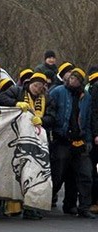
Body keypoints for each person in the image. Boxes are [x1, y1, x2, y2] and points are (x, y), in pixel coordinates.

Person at [0, 73, 55, 219]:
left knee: (34, 174)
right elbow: (1, 99)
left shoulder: (47, 98)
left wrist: (42, 120)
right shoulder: (17, 91)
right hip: (17, 139)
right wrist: (15, 103)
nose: (37, 89)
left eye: (40, 87)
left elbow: (53, 117)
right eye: (35, 86)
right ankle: (12, 206)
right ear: (30, 84)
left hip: (37, 142)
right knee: (16, 173)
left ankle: (31, 207)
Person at [49, 68, 95, 219]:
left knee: (85, 174)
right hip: (62, 139)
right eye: (71, 78)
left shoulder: (86, 96)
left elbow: (87, 119)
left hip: (79, 140)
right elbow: (50, 112)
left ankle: (84, 207)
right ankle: (44, 202)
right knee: (57, 174)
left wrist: (88, 140)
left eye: (76, 79)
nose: (72, 80)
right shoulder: (58, 92)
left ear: (80, 82)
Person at [87, 71, 98, 214]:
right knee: (94, 171)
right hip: (96, 135)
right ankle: (94, 201)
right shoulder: (96, 87)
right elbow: (94, 112)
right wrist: (96, 133)